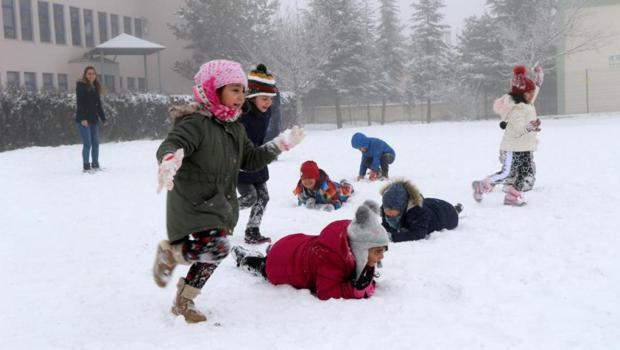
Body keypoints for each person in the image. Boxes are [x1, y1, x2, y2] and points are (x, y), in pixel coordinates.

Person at [152, 59, 304, 323]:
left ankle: (184, 301)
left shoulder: (234, 127)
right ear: (213, 89)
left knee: (215, 252)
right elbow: (173, 143)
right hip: (193, 203)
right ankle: (171, 255)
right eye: (234, 89)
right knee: (218, 248)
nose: (241, 96)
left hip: (219, 203)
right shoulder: (195, 123)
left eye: (243, 90)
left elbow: (250, 160)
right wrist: (169, 160)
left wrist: (279, 144)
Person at [232, 201, 389, 300]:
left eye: (383, 250)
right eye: (378, 251)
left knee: (279, 253)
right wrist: (352, 290)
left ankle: (271, 250)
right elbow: (326, 292)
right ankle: (245, 258)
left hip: (294, 244)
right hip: (282, 264)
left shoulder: (353, 237)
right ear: (361, 249)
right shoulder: (331, 258)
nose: (381, 256)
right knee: (264, 265)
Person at [472, 65, 543, 206]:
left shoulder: (527, 103)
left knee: (525, 173)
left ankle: (512, 196)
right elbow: (518, 129)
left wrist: (539, 76)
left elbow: (537, 87)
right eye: (529, 92)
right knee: (506, 173)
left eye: (532, 92)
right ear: (521, 94)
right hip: (513, 148)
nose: (532, 94)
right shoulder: (517, 109)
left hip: (525, 147)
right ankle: (481, 185)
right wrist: (530, 126)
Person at [237, 64, 279, 244]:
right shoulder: (241, 113)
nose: (268, 102)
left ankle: (252, 230)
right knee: (249, 197)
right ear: (252, 97)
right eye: (264, 98)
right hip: (241, 162)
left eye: (270, 98)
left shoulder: (265, 112)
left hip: (258, 159)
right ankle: (218, 215)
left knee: (263, 196)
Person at [380, 180, 462, 242]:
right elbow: (385, 226)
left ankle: (457, 209)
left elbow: (418, 234)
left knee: (453, 212)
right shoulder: (385, 208)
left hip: (448, 214)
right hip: (431, 204)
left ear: (403, 209)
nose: (389, 217)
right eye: (387, 215)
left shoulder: (419, 213)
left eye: (393, 216)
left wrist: (392, 237)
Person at [75, 66, 106, 173]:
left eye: (93, 73)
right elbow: (80, 104)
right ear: (85, 74)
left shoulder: (95, 87)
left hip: (93, 120)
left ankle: (95, 164)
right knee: (87, 143)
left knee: (96, 143)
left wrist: (103, 118)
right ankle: (86, 166)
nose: (91, 75)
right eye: (89, 73)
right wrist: (83, 118)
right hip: (83, 121)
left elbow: (98, 105)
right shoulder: (81, 86)